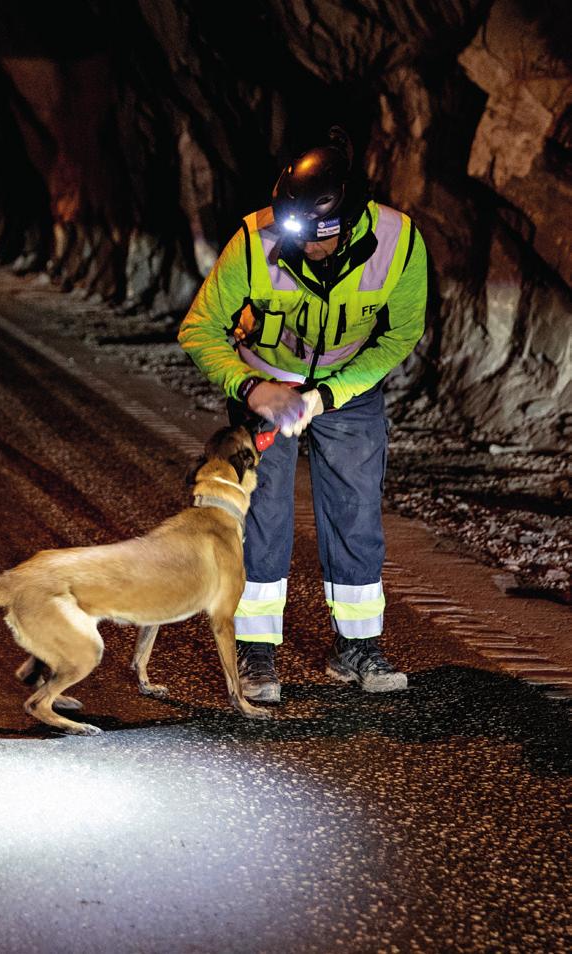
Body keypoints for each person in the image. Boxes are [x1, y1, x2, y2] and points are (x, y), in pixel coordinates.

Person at [178, 127, 427, 703]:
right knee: (263, 512)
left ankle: (357, 648)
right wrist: (252, 386)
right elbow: (200, 329)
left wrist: (331, 394)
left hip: (348, 389)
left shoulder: (399, 242)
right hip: (267, 382)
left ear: (350, 221)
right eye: (296, 234)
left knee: (355, 513)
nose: (303, 246)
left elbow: (401, 334)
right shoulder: (254, 239)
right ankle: (257, 652)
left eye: (318, 237)